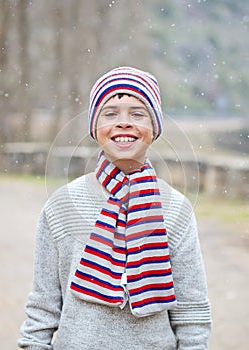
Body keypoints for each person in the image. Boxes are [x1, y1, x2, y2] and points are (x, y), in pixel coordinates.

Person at [18, 66, 211, 349]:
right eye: (110, 113)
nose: (124, 123)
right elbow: (43, 306)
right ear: (95, 128)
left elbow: (192, 311)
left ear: (154, 128)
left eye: (137, 113)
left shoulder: (176, 210)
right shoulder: (61, 205)